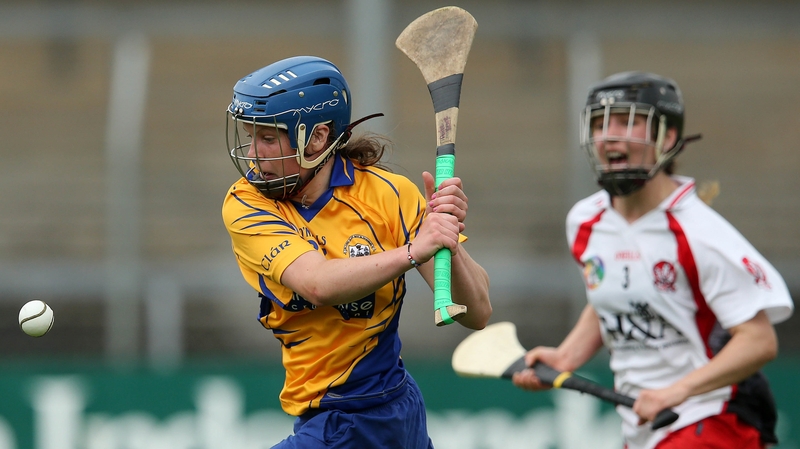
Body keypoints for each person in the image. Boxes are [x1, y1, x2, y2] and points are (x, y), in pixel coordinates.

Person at [221, 55, 491, 448]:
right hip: (330, 417)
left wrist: (445, 234)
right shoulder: (246, 202)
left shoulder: (389, 194)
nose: (254, 153)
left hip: (372, 413)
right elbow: (317, 284)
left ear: (316, 138)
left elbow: (478, 312)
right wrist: (414, 250)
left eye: (267, 138)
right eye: (251, 136)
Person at [512, 71, 793, 449]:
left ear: (669, 137)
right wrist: (566, 356)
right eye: (599, 124)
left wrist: (675, 392)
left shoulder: (699, 233)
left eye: (629, 122)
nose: (609, 134)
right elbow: (610, 298)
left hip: (709, 419)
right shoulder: (585, 222)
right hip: (647, 425)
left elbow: (760, 341)